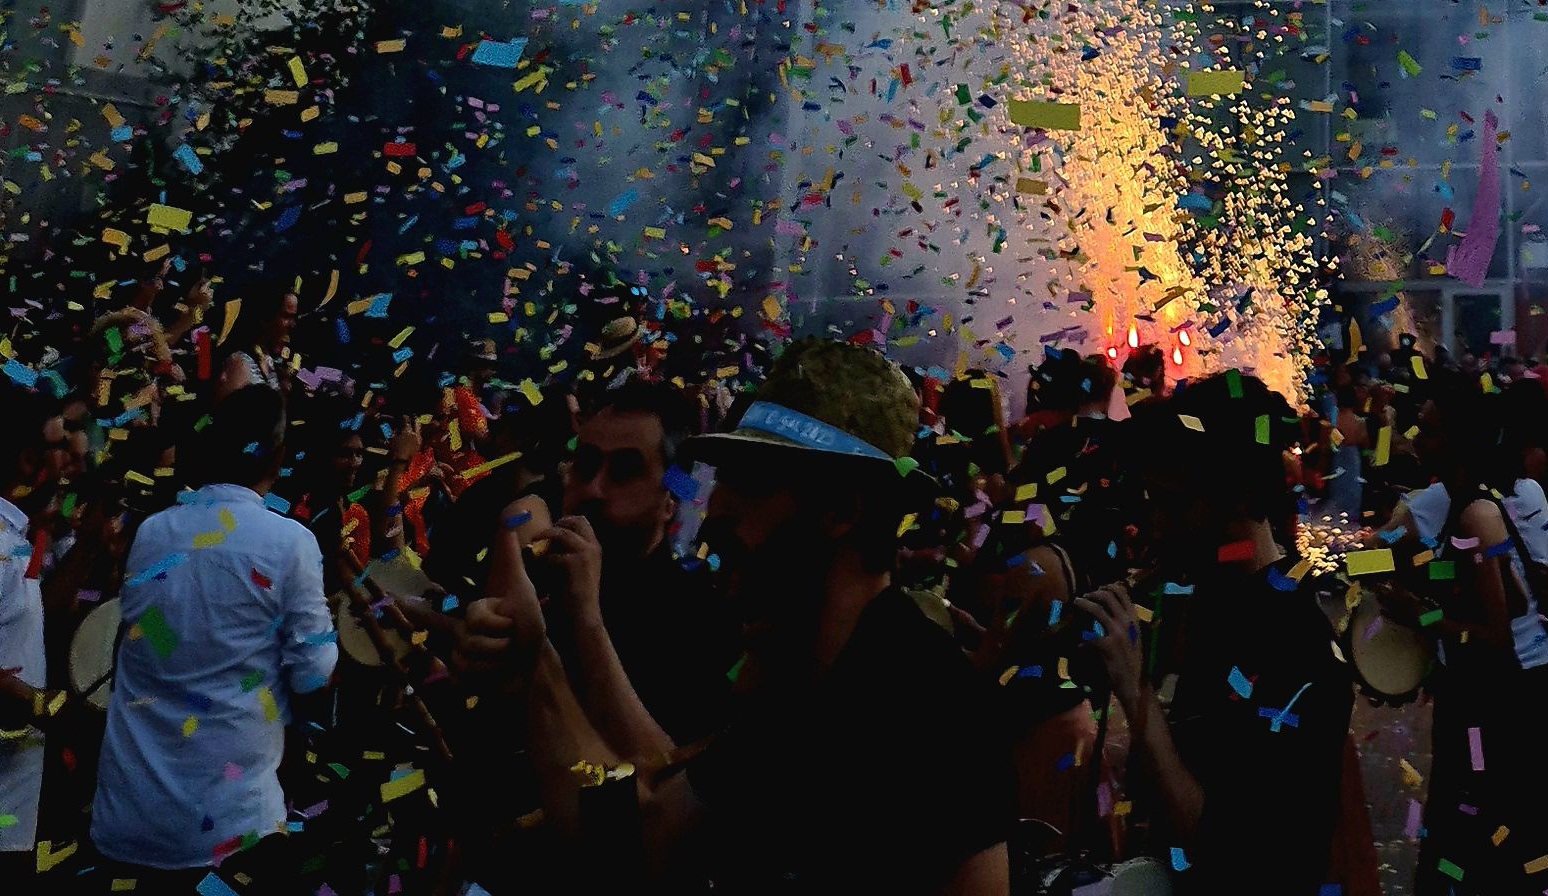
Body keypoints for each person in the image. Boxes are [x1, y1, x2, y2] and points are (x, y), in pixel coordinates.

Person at [487, 336, 1010, 896]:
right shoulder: (803, 678)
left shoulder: (917, 701)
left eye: (752, 480)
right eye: (724, 475)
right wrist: (535, 663)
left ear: (840, 510)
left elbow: (638, 846)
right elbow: (650, 822)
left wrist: (542, 669)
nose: (718, 509)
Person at [1082, 371, 1355, 896]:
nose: (1156, 526)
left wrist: (1136, 694)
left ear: (1233, 500)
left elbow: (1223, 852)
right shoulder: (1207, 600)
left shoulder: (1293, 644)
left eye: (1171, 502)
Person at [87, 385, 337, 885]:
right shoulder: (290, 543)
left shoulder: (153, 532)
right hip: (232, 829)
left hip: (129, 817)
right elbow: (314, 675)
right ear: (279, 456)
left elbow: (149, 638)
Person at [1396, 378, 1548, 896]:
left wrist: (1418, 616)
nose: (1416, 441)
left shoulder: (1474, 511)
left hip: (1501, 708)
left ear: (1455, 440)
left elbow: (1496, 634)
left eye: (1427, 432)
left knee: (1483, 841)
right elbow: (1516, 599)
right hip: (1508, 697)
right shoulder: (1475, 503)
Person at [546, 376, 730, 744]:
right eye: (585, 464)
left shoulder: (704, 620)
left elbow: (664, 777)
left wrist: (586, 619)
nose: (594, 489)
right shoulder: (543, 577)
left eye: (625, 470)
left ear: (672, 500)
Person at [0, 379, 68, 889]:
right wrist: (46, 708)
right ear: (27, 461)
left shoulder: (16, 539)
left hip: (10, 813)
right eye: (57, 447)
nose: (67, 461)